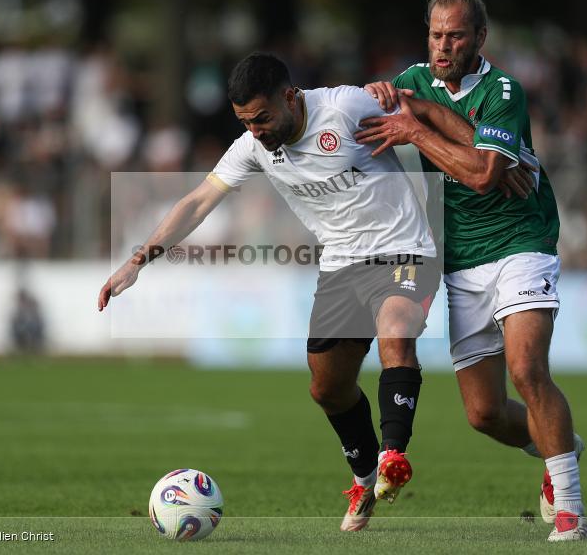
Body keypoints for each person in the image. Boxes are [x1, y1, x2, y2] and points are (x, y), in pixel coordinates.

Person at [98, 53, 442, 531]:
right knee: (327, 387)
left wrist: (394, 93)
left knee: (396, 330)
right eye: (245, 122)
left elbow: (424, 108)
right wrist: (138, 261)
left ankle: (392, 456)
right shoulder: (253, 148)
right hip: (342, 264)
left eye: (261, 118)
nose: (255, 130)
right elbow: (198, 201)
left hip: (406, 249)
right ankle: (365, 479)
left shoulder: (345, 107)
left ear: (289, 96)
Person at [355, 0, 587, 542]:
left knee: (527, 369)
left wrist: (419, 127)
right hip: (459, 257)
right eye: (435, 35)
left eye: (456, 36)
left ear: (479, 39)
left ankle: (570, 510)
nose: (443, 46)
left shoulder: (504, 91)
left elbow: (487, 175)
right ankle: (562, 448)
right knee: (484, 414)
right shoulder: (414, 79)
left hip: (520, 243)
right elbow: (371, 104)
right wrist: (382, 97)